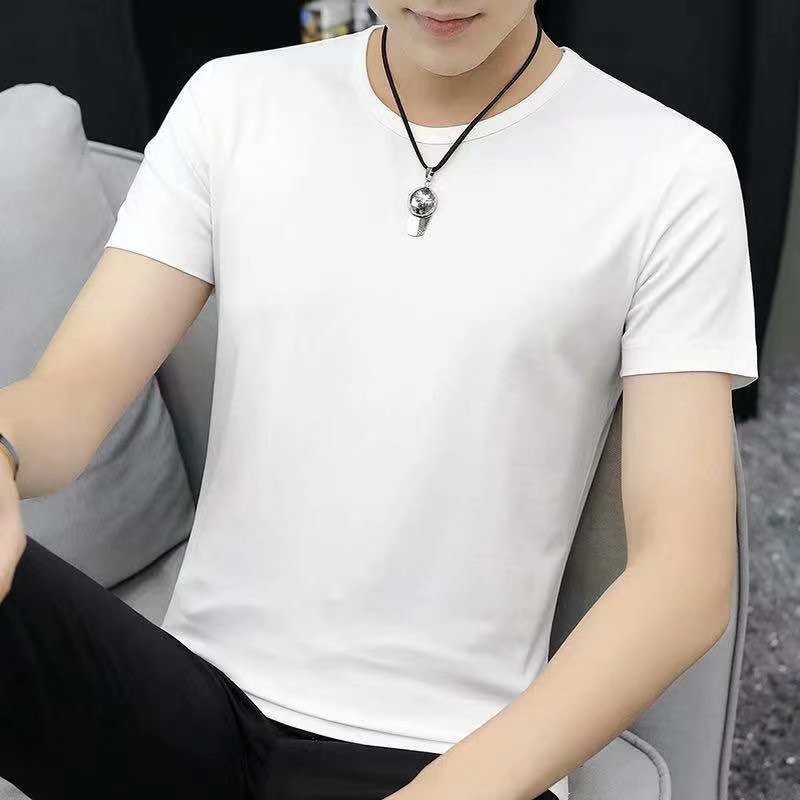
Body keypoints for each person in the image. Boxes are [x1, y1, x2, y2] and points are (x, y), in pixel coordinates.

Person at [0, 1, 759, 799]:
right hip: (185, 704)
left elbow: (683, 578)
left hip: (437, 754)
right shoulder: (233, 104)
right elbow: (71, 396)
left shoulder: (670, 172)